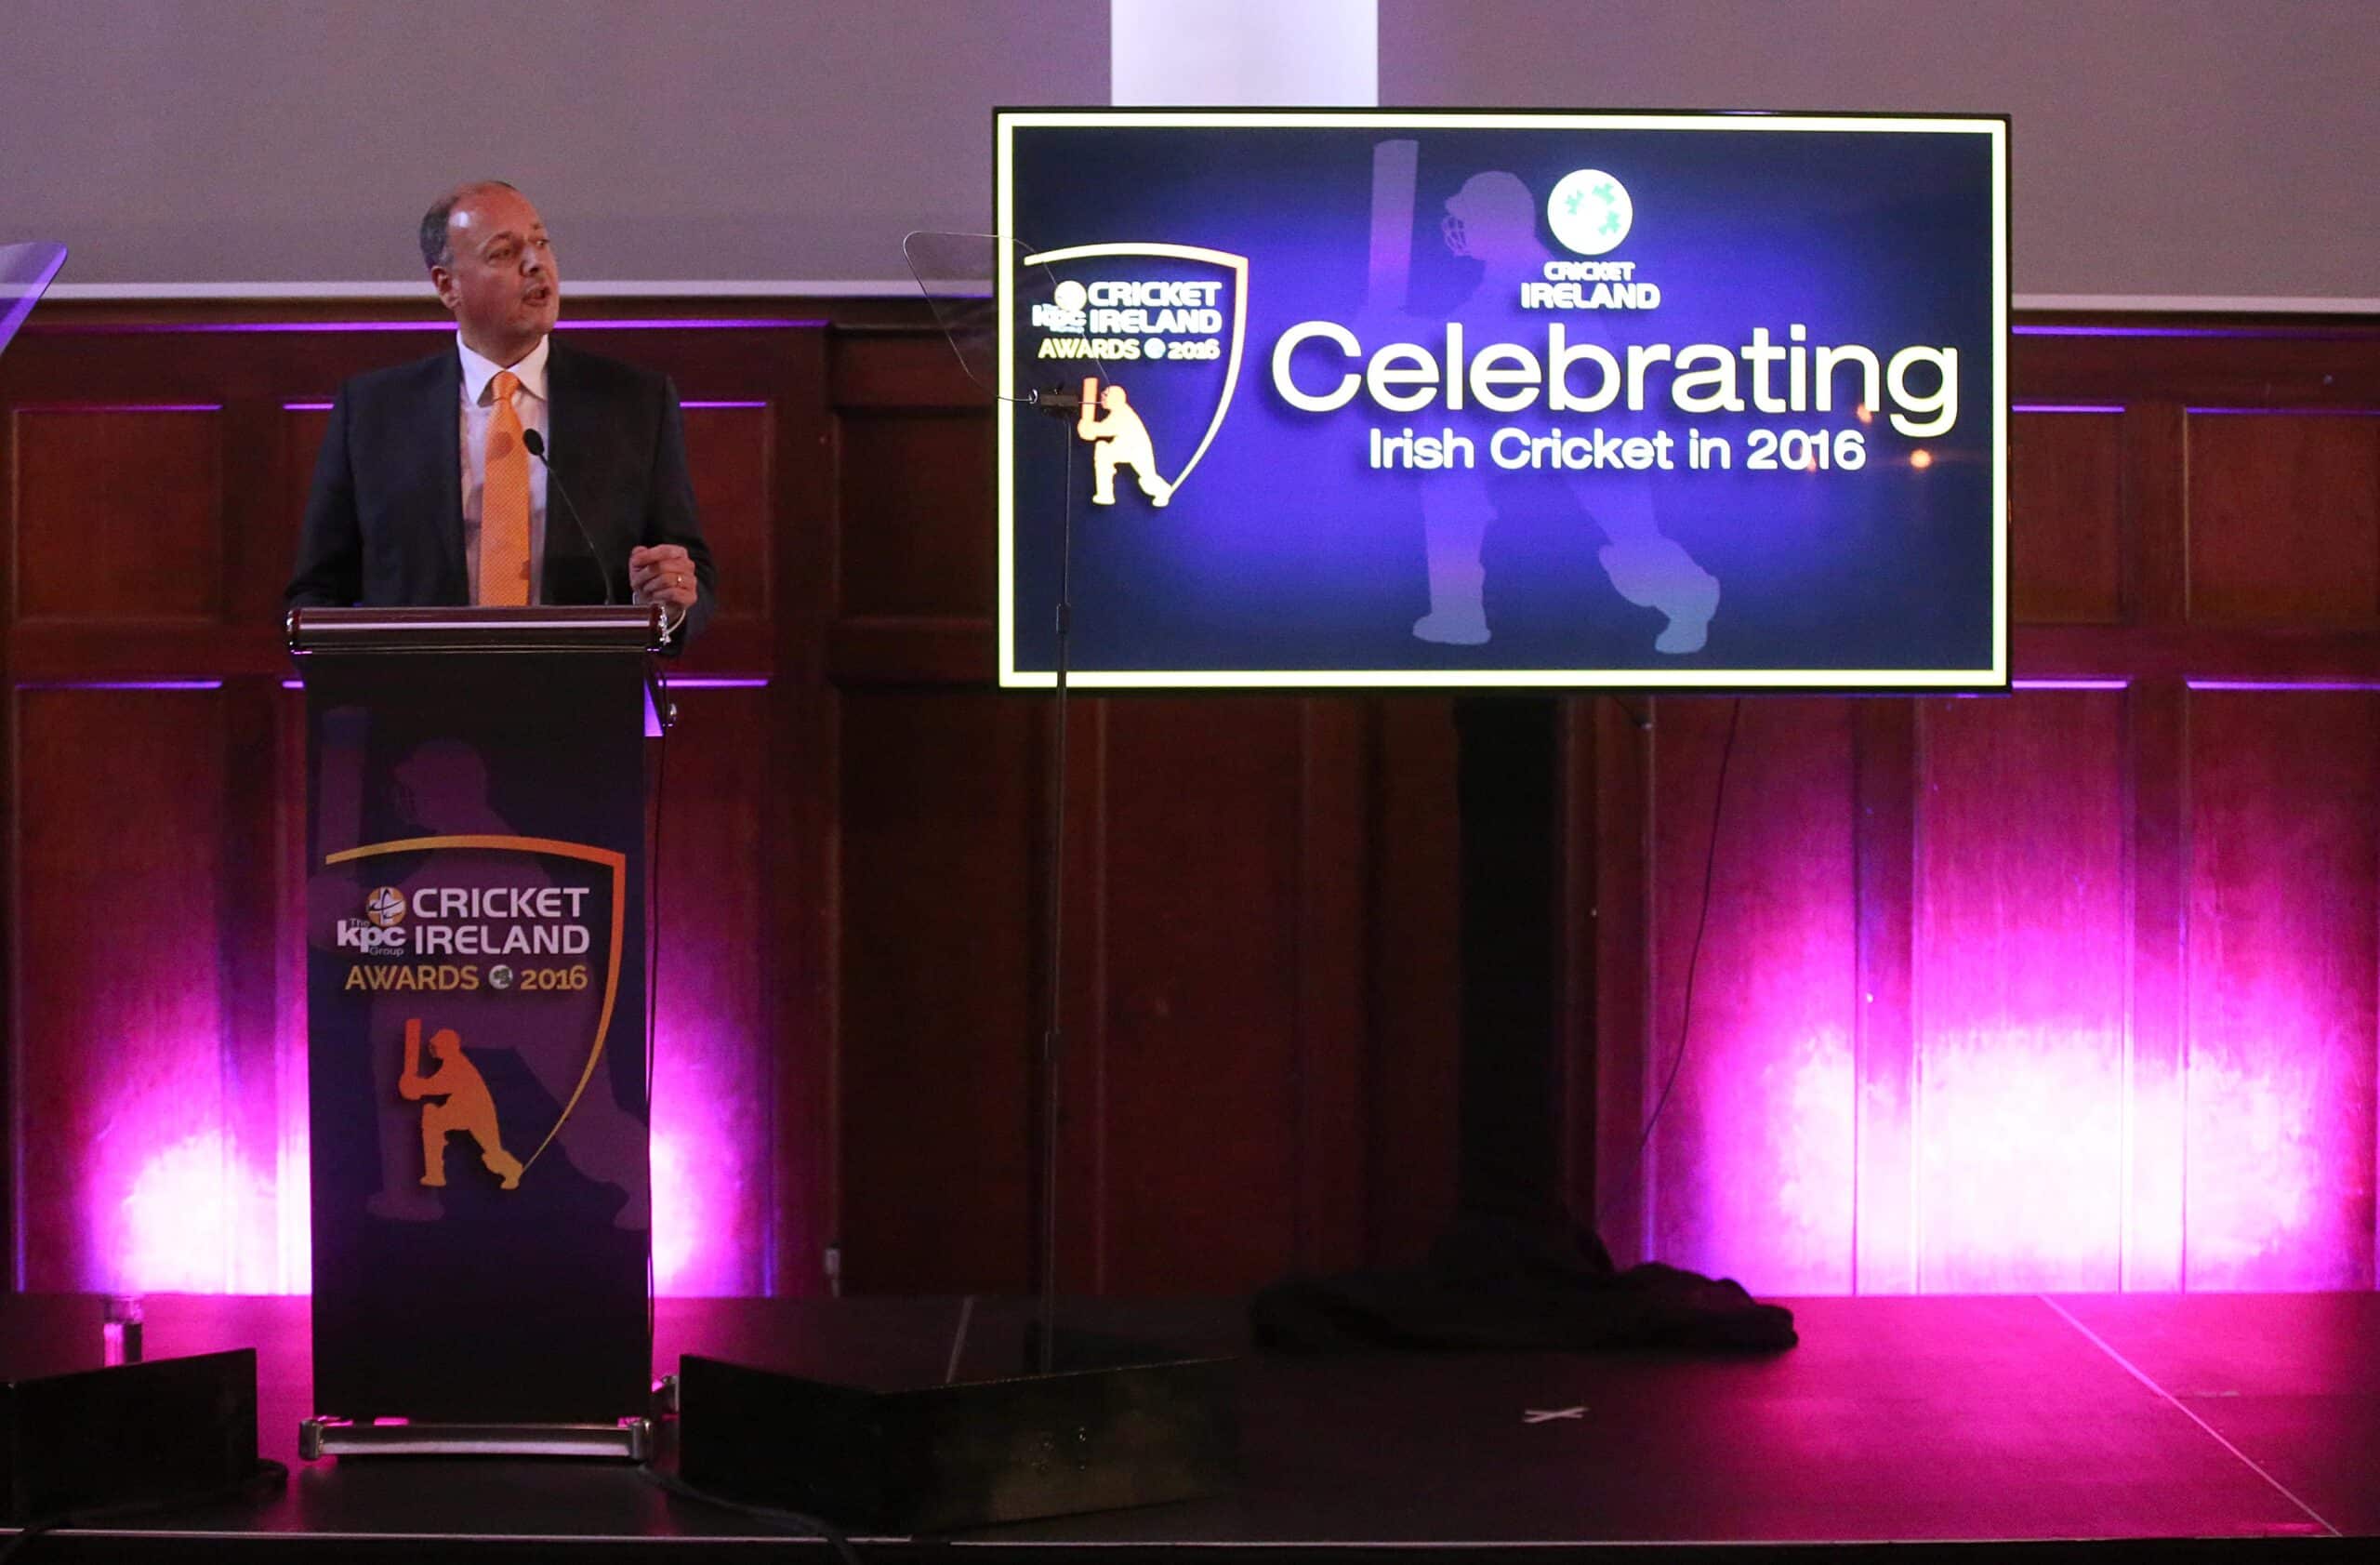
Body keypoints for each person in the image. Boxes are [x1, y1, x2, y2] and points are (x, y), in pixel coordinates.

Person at [284, 180, 714, 638]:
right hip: (421, 680)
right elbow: (317, 591)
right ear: (447, 285)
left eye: (541, 243)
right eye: (504, 253)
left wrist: (670, 604)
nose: (535, 264)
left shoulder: (633, 402)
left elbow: (691, 577)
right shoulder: (374, 413)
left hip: (581, 677)